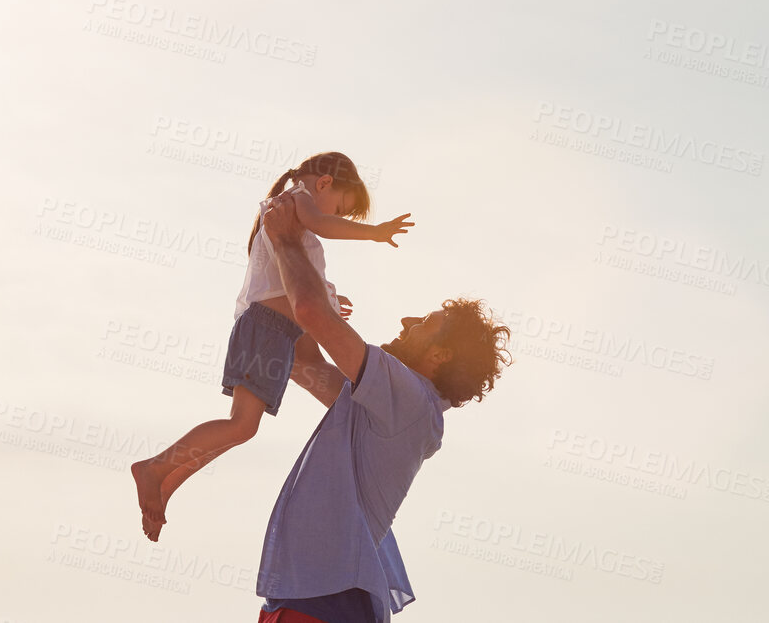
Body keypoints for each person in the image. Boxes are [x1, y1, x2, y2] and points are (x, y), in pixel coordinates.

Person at [253, 188, 512, 623]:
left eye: (426, 323)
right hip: (315, 599)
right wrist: (290, 273)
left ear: (440, 356)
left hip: (324, 604)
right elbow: (304, 360)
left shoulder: (408, 396)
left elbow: (313, 316)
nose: (408, 322)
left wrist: (285, 241)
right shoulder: (390, 408)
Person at [131, 152, 413, 542]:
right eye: (343, 209)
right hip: (266, 329)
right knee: (241, 425)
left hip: (278, 333)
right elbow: (321, 226)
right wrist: (375, 232)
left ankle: (165, 483)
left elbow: (289, 278)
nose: (339, 219)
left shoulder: (293, 214)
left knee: (241, 428)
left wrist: (329, 300)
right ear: (325, 183)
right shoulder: (296, 199)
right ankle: (155, 469)